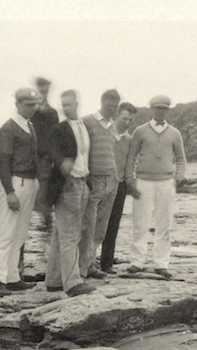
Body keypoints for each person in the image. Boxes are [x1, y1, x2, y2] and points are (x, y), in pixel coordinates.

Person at [125, 94, 187, 279]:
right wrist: (130, 180)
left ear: (168, 111)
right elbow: (131, 157)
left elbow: (181, 159)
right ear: (152, 109)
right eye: (157, 108)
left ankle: (161, 263)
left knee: (164, 224)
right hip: (143, 182)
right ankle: (137, 261)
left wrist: (178, 177)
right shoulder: (140, 131)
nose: (160, 112)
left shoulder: (175, 133)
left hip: (166, 183)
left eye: (164, 109)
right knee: (140, 222)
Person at [0, 87, 43, 296]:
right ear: (17, 104)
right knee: (6, 232)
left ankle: (12, 277)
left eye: (34, 105)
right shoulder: (9, 128)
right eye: (28, 105)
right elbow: (2, 162)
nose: (32, 109)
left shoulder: (30, 126)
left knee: (20, 234)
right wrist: (9, 192)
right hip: (14, 182)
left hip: (30, 182)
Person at [42, 90, 95, 297]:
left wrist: (87, 183)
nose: (66, 108)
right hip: (68, 186)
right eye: (63, 105)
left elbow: (85, 155)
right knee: (69, 235)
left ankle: (54, 280)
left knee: (61, 234)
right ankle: (72, 283)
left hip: (82, 183)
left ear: (77, 103)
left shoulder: (84, 126)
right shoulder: (59, 129)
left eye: (69, 104)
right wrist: (61, 160)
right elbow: (50, 149)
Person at [78, 89, 122, 280]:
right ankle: (81, 267)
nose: (113, 109)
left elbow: (112, 150)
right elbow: (81, 150)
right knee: (87, 226)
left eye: (115, 106)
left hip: (110, 180)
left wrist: (115, 176)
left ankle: (90, 265)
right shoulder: (87, 121)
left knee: (100, 227)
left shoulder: (113, 125)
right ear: (102, 102)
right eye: (110, 105)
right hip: (93, 179)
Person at [100, 102, 138, 274]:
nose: (127, 122)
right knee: (95, 222)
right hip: (101, 182)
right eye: (124, 118)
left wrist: (129, 182)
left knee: (113, 224)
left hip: (120, 185)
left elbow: (130, 163)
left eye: (130, 119)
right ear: (117, 116)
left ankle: (106, 263)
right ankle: (87, 262)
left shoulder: (130, 140)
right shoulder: (105, 132)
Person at [31, 77, 60, 233]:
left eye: (45, 90)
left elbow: (55, 136)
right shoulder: (31, 110)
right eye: (40, 90)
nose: (43, 92)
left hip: (45, 158)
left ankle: (47, 223)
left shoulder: (52, 112)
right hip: (30, 157)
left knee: (43, 192)